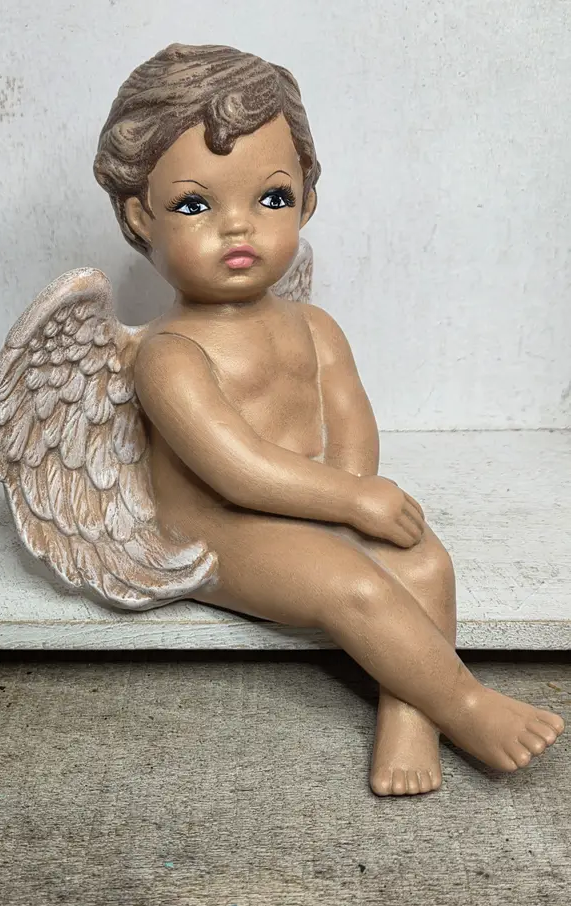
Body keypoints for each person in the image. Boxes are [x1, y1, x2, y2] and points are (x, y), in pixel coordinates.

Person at [93, 43, 564, 795]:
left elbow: (349, 421)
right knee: (352, 585)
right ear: (139, 214)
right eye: (195, 205)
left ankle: (408, 717)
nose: (238, 227)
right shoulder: (169, 355)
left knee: (425, 563)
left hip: (314, 500)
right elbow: (236, 467)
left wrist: (353, 493)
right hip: (218, 530)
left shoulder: (314, 326)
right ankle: (467, 705)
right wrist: (347, 504)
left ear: (307, 199)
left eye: (271, 198)